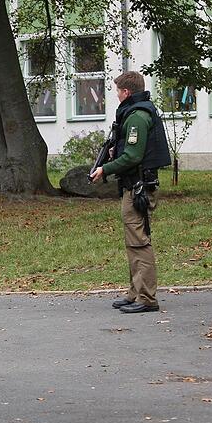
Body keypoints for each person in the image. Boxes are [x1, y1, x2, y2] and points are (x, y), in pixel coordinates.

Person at [90, 71, 172, 314]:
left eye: (118, 91)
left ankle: (146, 298)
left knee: (139, 242)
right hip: (134, 185)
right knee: (133, 241)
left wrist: (105, 169)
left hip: (139, 188)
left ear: (126, 92)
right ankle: (135, 293)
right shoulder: (136, 113)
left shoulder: (137, 116)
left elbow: (134, 156)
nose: (116, 95)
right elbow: (134, 151)